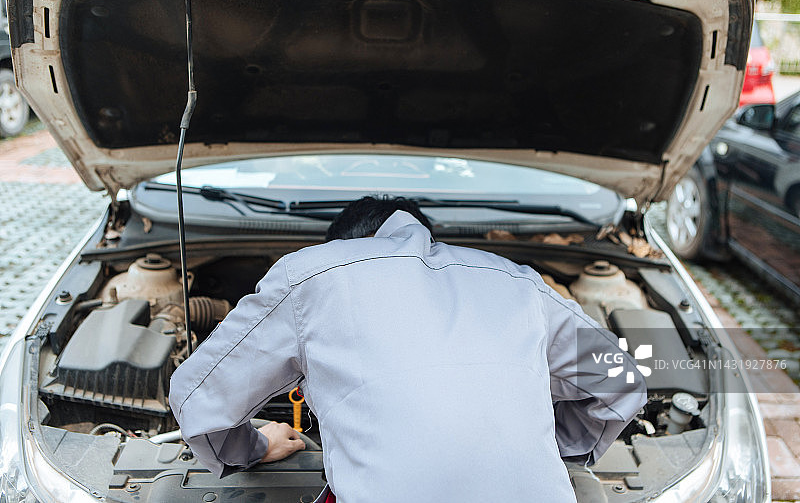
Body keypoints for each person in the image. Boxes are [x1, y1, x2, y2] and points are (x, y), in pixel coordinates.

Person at [169, 196, 647, 503]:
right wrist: (547, 446)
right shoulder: (520, 282)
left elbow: (196, 399)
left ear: (341, 247)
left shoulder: (311, 274)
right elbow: (624, 381)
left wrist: (252, 448)